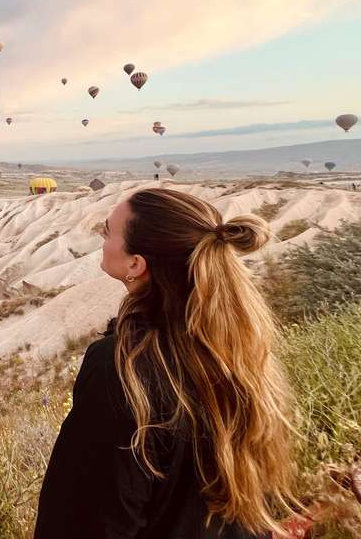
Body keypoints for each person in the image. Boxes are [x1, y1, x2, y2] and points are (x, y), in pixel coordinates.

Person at [33, 188, 300, 538]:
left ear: (136, 264)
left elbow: (82, 519)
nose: (101, 236)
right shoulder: (238, 354)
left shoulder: (122, 368)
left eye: (109, 231)